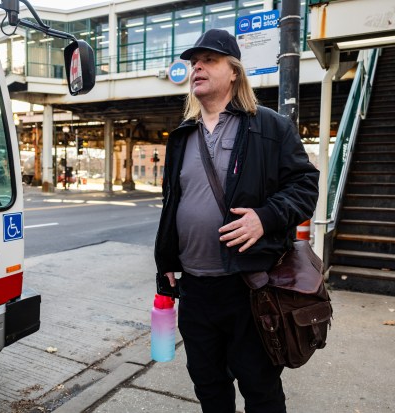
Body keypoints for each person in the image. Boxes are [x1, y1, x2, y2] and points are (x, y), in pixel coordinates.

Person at [154, 29, 319, 413]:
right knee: (208, 385)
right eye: (194, 61)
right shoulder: (182, 136)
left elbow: (306, 184)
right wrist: (167, 265)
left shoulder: (270, 126)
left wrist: (266, 217)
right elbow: (171, 205)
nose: (197, 66)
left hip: (249, 286)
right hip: (195, 289)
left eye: (208, 60)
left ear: (233, 73)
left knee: (259, 387)